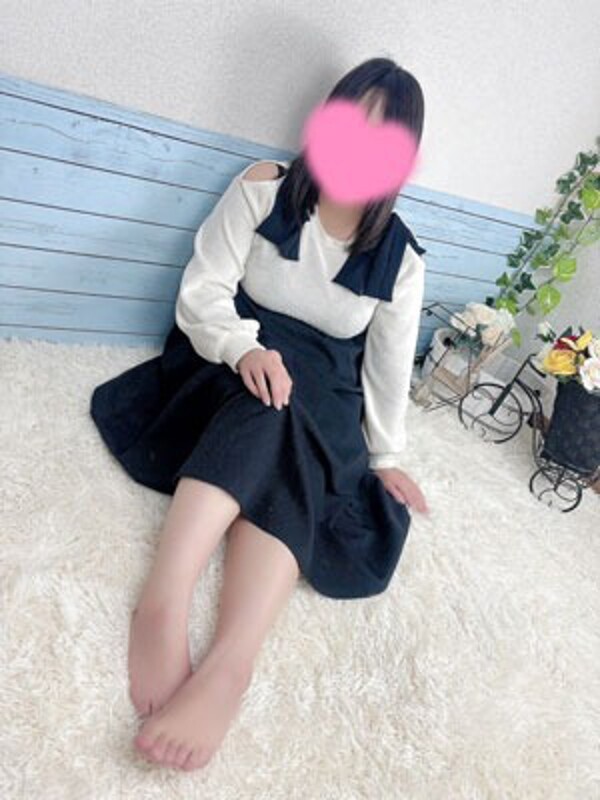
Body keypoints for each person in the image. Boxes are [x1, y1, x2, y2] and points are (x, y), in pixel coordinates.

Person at [89, 56, 430, 772]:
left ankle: (231, 665)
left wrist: (387, 457)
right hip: (224, 355)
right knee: (268, 400)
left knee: (296, 418)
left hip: (324, 389)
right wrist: (243, 348)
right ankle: (163, 601)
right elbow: (203, 289)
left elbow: (387, 369)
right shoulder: (264, 188)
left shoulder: (400, 258)